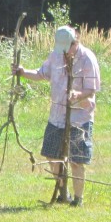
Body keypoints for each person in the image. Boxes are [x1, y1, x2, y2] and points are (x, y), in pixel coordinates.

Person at [12, 26, 101, 206]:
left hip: (79, 118)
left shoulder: (88, 59)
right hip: (57, 117)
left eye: (68, 47)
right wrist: (23, 72)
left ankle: (78, 199)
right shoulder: (55, 56)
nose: (65, 52)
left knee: (77, 160)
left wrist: (78, 95)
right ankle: (63, 193)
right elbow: (41, 73)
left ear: (75, 43)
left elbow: (92, 89)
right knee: (52, 155)